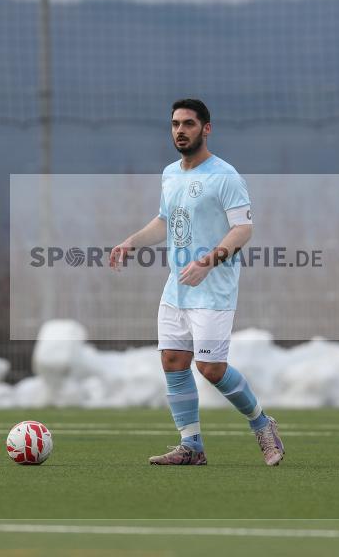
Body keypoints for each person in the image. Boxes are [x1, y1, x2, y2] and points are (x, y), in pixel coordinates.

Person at [110, 98, 284, 466]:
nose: (180, 130)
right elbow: (164, 221)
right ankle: (192, 446)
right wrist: (132, 242)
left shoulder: (225, 176)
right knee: (173, 360)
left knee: (211, 369)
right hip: (177, 287)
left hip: (214, 288)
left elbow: (244, 229)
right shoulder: (170, 173)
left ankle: (262, 424)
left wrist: (208, 261)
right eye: (175, 124)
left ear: (206, 129)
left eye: (188, 124)